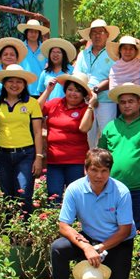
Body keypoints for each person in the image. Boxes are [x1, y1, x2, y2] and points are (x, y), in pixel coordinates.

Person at [37, 148, 135, 279]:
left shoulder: (121, 192)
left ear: (110, 171)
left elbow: (125, 230)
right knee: (59, 248)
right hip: (89, 238)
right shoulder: (75, 189)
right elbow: (64, 225)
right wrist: (86, 246)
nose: (98, 175)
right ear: (85, 169)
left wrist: (100, 248)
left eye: (103, 170)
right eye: (94, 170)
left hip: (118, 243)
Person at [99, 83, 140, 265]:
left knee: (139, 228)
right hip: (113, 189)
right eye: (123, 102)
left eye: (131, 101)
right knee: (113, 227)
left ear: (139, 103)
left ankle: (139, 266)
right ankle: (114, 263)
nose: (127, 105)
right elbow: (101, 155)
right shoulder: (111, 126)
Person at [0, 64, 43, 213]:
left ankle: (26, 231)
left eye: (19, 81)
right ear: (4, 83)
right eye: (11, 81)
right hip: (2, 154)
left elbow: (38, 132)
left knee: (24, 193)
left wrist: (38, 157)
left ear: (24, 84)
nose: (15, 85)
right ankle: (10, 232)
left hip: (25, 154)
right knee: (7, 195)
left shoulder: (32, 103)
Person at [41, 74, 94, 203]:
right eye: (70, 89)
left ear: (83, 94)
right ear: (65, 90)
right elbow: (36, 110)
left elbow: (84, 128)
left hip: (76, 161)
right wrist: (48, 91)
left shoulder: (85, 109)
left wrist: (91, 105)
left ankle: (75, 223)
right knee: (53, 196)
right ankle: (53, 222)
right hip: (54, 160)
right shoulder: (55, 103)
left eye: (77, 91)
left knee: (76, 197)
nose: (73, 93)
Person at [74, 19, 120, 147]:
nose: (97, 35)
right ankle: (89, 165)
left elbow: (116, 76)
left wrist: (96, 89)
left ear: (107, 35)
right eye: (94, 32)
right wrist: (87, 93)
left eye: (101, 32)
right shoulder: (82, 54)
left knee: (107, 135)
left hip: (106, 100)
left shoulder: (114, 54)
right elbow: (77, 76)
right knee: (87, 137)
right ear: (89, 36)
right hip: (85, 100)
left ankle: (107, 165)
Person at [15, 18, 50, 84]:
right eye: (31, 32)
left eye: (36, 32)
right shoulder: (19, 48)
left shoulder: (45, 49)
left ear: (39, 34)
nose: (33, 34)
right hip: (23, 88)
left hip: (41, 88)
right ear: (26, 33)